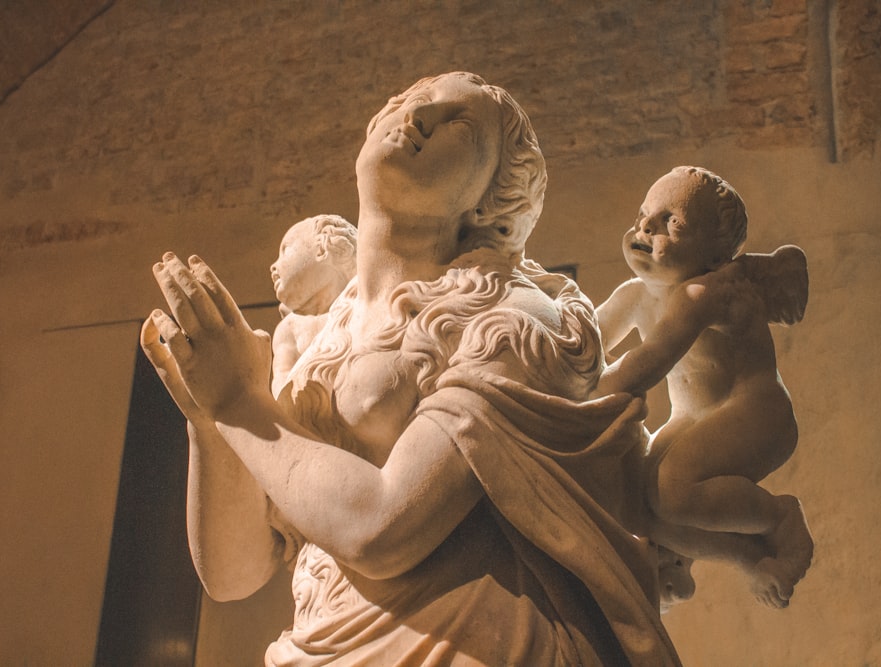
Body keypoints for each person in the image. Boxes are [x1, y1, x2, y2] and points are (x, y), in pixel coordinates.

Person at [141, 72, 690, 665]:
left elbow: (382, 527)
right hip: (323, 647)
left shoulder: (511, 315)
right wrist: (210, 416)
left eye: (458, 122)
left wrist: (240, 405)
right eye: (407, 102)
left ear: (490, 197)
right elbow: (234, 574)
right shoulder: (319, 336)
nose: (417, 118)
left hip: (466, 647)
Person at [596, 166, 813, 609]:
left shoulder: (708, 293)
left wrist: (580, 397)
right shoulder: (636, 294)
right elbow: (584, 343)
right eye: (644, 215)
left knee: (674, 487)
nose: (646, 227)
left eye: (672, 223)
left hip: (757, 413)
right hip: (696, 417)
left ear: (715, 258)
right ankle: (746, 555)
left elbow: (651, 362)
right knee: (641, 500)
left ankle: (780, 519)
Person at [269, 214, 357, 397]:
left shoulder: (360, 307)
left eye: (284, 250)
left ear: (322, 248)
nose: (273, 266)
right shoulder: (290, 327)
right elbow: (282, 382)